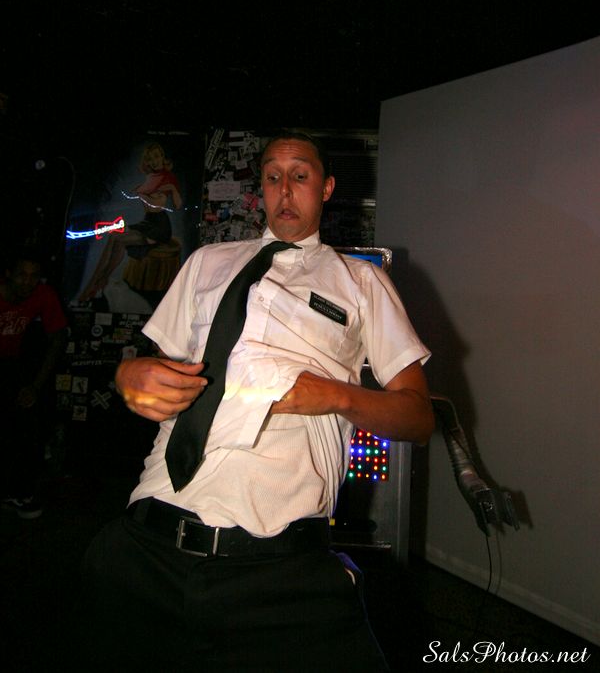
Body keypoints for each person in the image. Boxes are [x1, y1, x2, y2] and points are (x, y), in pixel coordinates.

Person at [78, 131, 434, 672]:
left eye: (300, 176)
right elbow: (157, 367)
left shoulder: (361, 281)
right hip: (147, 544)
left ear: (326, 188)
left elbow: (417, 417)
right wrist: (129, 373)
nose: (284, 189)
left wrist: (334, 395)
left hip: (279, 567)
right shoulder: (206, 262)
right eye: (272, 177)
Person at [0, 247, 68, 519]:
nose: (27, 282)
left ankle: (16, 492)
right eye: (22, 275)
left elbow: (57, 338)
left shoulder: (42, 294)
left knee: (25, 426)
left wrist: (35, 387)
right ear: (8, 274)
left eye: (33, 276)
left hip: (11, 365)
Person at [78, 141, 182, 302]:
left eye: (156, 156)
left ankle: (94, 285)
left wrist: (171, 190)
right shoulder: (151, 177)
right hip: (148, 222)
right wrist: (142, 193)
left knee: (119, 240)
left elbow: (171, 205)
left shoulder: (167, 178)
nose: (154, 161)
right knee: (114, 238)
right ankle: (98, 282)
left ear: (162, 157)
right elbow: (143, 199)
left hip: (159, 227)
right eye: (150, 159)